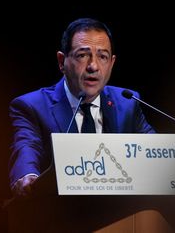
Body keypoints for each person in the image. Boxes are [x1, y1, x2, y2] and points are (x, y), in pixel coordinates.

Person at [8, 18, 155, 197]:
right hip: (59, 215)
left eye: (103, 56)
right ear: (62, 61)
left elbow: (154, 154)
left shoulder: (127, 102)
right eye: (82, 55)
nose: (93, 66)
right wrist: (27, 175)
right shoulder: (31, 106)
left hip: (119, 215)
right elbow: (26, 147)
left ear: (112, 63)